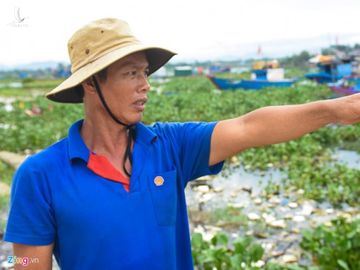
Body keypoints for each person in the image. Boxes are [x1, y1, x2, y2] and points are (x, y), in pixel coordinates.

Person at [3, 18, 360, 270]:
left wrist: (337, 108)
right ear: (91, 84)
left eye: (145, 72)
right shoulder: (40, 175)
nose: (146, 85)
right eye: (131, 73)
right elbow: (26, 263)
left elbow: (250, 127)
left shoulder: (170, 145)